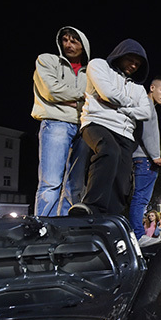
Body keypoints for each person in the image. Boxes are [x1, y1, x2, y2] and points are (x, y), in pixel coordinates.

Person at [68, 39, 150, 216]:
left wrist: (119, 107)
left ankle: (113, 216)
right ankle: (92, 205)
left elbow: (146, 113)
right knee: (108, 151)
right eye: (130, 59)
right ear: (120, 54)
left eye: (138, 63)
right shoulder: (99, 65)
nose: (134, 66)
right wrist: (131, 105)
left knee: (122, 175)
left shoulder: (139, 88)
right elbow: (108, 93)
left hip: (126, 133)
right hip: (97, 122)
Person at [31, 26, 91, 216]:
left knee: (76, 184)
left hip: (83, 127)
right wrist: (83, 96)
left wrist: (74, 101)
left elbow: (97, 100)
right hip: (55, 122)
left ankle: (66, 227)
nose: (68, 44)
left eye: (74, 41)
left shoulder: (90, 71)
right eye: (65, 40)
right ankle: (44, 227)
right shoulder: (47, 60)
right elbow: (51, 91)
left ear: (84, 45)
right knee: (50, 182)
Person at [129, 76, 161, 239]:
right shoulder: (147, 105)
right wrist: (156, 156)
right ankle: (139, 235)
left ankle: (137, 233)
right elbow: (147, 133)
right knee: (141, 199)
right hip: (145, 159)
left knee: (140, 199)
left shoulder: (148, 106)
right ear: (152, 88)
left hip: (142, 158)